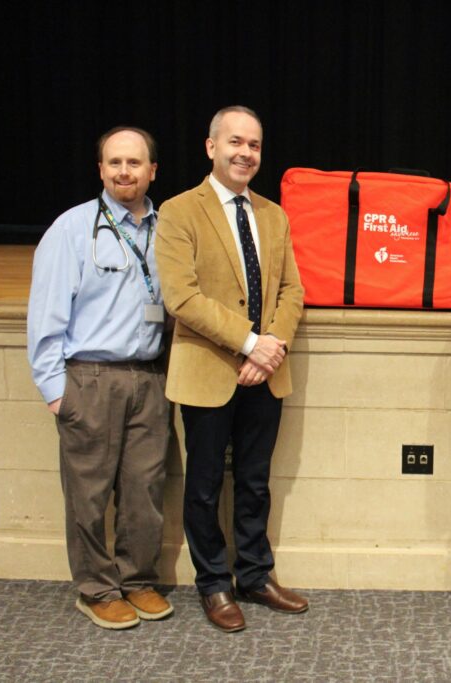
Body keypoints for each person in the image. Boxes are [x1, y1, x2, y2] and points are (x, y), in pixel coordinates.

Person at [155, 106, 306, 633]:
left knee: (255, 482)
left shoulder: (274, 213)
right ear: (211, 146)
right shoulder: (178, 212)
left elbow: (292, 290)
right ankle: (214, 584)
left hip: (267, 371)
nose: (246, 153)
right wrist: (248, 343)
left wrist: (271, 349)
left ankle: (255, 575)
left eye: (255, 145)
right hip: (207, 370)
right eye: (235, 142)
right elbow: (182, 297)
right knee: (201, 486)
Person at [27, 126, 173, 629]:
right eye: (114, 163)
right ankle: (95, 587)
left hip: (150, 378)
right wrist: (55, 393)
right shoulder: (71, 229)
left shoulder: (169, 228)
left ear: (153, 170)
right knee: (88, 495)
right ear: (101, 169)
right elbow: (45, 315)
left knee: (144, 491)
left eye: (134, 163)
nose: (124, 172)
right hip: (89, 379)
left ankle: (137, 580)